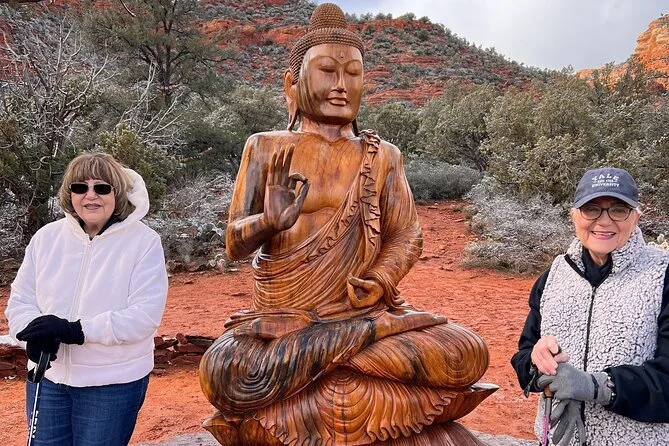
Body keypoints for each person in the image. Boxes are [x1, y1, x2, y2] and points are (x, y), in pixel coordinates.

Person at [198, 4, 493, 446]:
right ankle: (356, 350)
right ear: (292, 84)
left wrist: (380, 279)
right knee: (227, 371)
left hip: (345, 321)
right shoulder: (264, 147)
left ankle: (335, 356)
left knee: (465, 352)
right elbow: (233, 244)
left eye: (353, 73)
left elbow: (406, 234)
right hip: (288, 320)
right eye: (327, 71)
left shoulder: (383, 155)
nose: (341, 84)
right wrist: (267, 222)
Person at [5, 152, 169, 445]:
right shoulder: (46, 238)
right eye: (80, 187)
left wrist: (77, 330)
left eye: (102, 188)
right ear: (70, 194)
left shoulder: (144, 242)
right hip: (49, 378)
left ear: (117, 193)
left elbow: (143, 317)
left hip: (111, 384)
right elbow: (21, 300)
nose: (90, 195)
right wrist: (32, 334)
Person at [511, 167, 669, 446]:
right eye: (591, 209)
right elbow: (524, 355)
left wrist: (599, 387)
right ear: (574, 215)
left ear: (636, 217)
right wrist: (538, 366)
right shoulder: (554, 276)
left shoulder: (662, 275)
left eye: (618, 210)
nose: (604, 221)